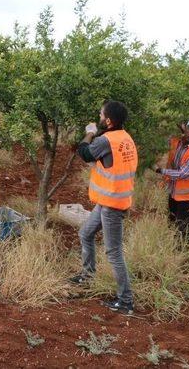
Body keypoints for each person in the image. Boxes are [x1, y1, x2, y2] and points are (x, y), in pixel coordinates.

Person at [70, 100, 138, 316]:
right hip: (110, 200)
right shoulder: (126, 138)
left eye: (101, 115)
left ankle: (126, 301)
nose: (99, 117)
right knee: (86, 233)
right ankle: (87, 275)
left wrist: (89, 133)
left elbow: (85, 153)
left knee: (113, 252)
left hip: (112, 205)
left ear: (108, 120)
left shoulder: (106, 139)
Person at [153, 118, 189, 244]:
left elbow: (182, 174)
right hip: (173, 192)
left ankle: (182, 252)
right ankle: (171, 247)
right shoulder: (177, 142)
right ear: (185, 129)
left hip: (187, 197)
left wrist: (160, 171)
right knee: (172, 221)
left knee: (184, 227)